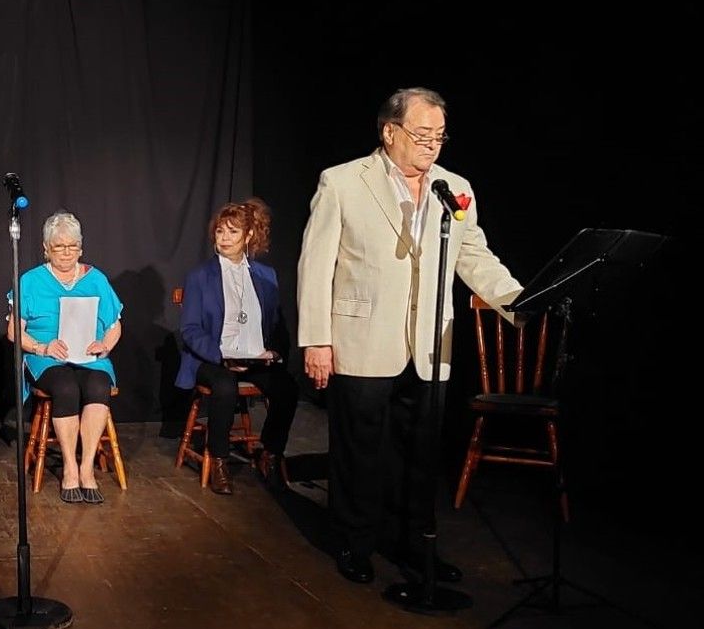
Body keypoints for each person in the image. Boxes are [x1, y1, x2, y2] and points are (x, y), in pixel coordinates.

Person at [297, 87, 523, 585]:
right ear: (389, 131)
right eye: (422, 134)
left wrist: (519, 303)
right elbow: (316, 266)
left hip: (428, 347)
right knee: (360, 452)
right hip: (360, 338)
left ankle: (413, 544)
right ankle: (355, 543)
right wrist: (316, 339)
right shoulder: (341, 182)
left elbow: (474, 257)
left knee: (420, 456)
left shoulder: (454, 187)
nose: (432, 145)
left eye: (439, 136)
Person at [176, 198, 298, 495]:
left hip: (254, 356)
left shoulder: (265, 275)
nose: (224, 238)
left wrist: (275, 352)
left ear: (248, 236)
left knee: (287, 388)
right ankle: (218, 459)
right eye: (220, 232)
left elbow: (277, 324)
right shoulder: (200, 276)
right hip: (214, 358)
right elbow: (190, 330)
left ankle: (270, 452)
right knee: (225, 388)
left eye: (232, 232)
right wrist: (221, 356)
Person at [8, 210, 123, 504]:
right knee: (66, 387)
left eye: (72, 246)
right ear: (46, 249)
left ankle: (87, 469)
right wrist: (42, 348)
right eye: (59, 246)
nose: (66, 252)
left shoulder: (95, 278)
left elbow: (115, 325)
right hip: (46, 357)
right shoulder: (31, 281)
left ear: (81, 248)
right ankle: (70, 467)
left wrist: (104, 346)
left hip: (88, 355)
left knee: (98, 386)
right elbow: (13, 332)